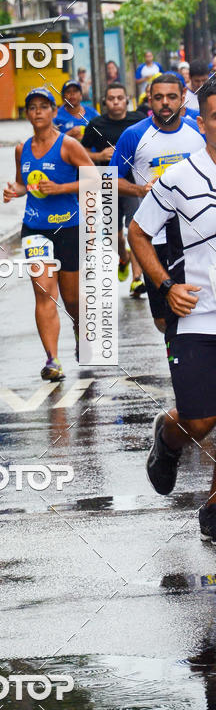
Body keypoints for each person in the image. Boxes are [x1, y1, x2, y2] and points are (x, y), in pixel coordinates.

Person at [128, 75, 216, 541]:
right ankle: (168, 435)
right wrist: (166, 286)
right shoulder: (181, 177)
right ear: (203, 122)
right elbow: (138, 232)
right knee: (200, 420)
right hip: (197, 312)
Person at [3, 88, 94, 381]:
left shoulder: (68, 145)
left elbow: (94, 179)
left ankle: (79, 328)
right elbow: (23, 184)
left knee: (71, 299)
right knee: (44, 293)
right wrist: (13, 191)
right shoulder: (22, 149)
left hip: (68, 227)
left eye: (44, 106)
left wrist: (61, 188)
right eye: (32, 107)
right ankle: (52, 360)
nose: (38, 112)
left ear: (54, 112)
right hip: (35, 228)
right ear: (27, 114)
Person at [110, 72, 204, 333]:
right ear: (149, 98)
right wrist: (140, 190)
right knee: (163, 319)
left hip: (198, 235)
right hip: (156, 238)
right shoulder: (133, 135)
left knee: (200, 307)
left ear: (183, 97)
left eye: (172, 97)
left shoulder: (198, 129)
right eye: (159, 97)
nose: (165, 103)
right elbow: (109, 179)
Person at [81, 82, 145, 295]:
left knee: (135, 229)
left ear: (127, 100)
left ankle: (137, 279)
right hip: (107, 185)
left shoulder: (138, 121)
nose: (116, 102)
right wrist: (99, 155)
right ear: (105, 102)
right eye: (111, 99)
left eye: (120, 98)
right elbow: (80, 153)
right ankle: (123, 258)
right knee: (113, 236)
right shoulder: (96, 125)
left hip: (133, 183)